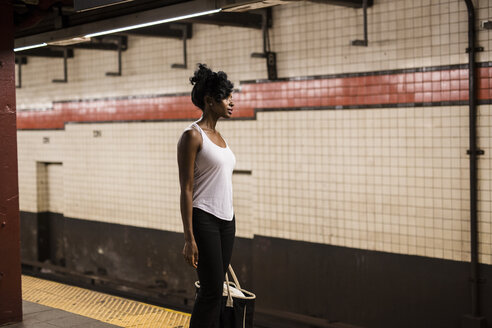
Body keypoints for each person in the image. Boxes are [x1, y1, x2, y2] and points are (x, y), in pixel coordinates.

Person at [177, 63, 236, 328]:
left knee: (217, 291)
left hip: (227, 220)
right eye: (226, 97)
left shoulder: (220, 137)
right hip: (204, 219)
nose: (231, 102)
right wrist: (189, 238)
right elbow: (186, 188)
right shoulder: (192, 136)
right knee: (211, 291)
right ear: (210, 101)